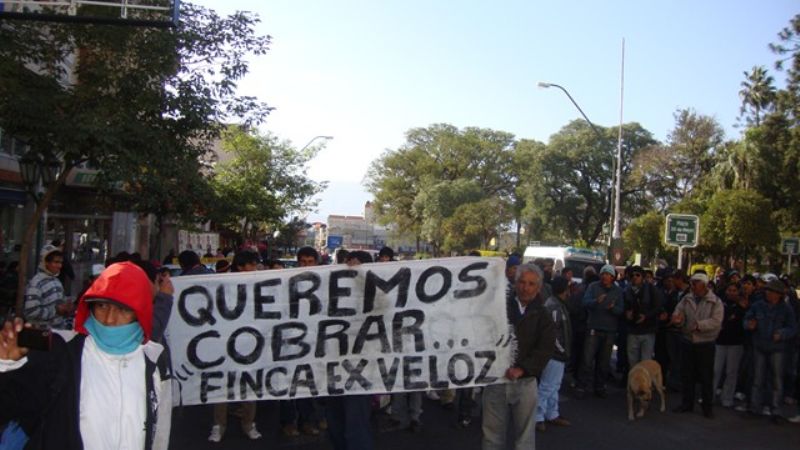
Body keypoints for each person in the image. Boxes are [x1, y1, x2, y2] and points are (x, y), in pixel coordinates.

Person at [0, 261, 171, 449]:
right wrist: (7, 363)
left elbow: (160, 433)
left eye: (123, 309)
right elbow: (12, 405)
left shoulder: (154, 362)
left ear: (141, 312)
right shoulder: (62, 356)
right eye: (102, 306)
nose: (109, 319)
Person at [482, 263, 555, 450]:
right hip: (496, 380)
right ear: (515, 283)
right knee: (492, 437)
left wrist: (523, 369)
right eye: (522, 282)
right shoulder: (498, 308)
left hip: (526, 382)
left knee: (525, 439)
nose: (525, 287)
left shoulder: (543, 315)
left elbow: (545, 349)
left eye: (531, 284)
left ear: (538, 288)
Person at [208, 250, 262, 442]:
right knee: (223, 385)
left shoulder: (260, 284)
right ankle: (218, 426)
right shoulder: (222, 284)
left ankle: (248, 424)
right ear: (240, 266)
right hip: (225, 344)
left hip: (251, 344)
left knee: (250, 386)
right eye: (252, 265)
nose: (255, 269)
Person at [325, 249, 375, 450]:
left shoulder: (377, 293)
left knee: (356, 425)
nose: (351, 270)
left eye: (357, 266)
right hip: (330, 369)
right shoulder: (330, 289)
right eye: (349, 265)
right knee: (335, 421)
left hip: (359, 371)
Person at [671, 272, 723, 418]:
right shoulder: (686, 299)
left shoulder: (715, 301)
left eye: (696, 282)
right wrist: (678, 319)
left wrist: (699, 325)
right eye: (692, 282)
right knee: (687, 375)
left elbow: (716, 321)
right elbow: (678, 312)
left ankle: (707, 407)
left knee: (706, 376)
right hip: (688, 340)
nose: (693, 285)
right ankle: (687, 403)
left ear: (704, 284)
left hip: (705, 342)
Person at [744, 279, 797, 418]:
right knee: (758, 378)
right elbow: (747, 319)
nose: (768, 293)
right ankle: (755, 408)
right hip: (760, 345)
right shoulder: (758, 306)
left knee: (777, 380)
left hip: (777, 348)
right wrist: (749, 324)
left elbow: (793, 328)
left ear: (778, 294)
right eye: (768, 290)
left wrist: (782, 334)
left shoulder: (786, 309)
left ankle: (775, 410)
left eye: (772, 291)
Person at [576, 264, 623, 399]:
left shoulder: (617, 291)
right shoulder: (593, 287)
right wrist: (596, 301)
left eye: (608, 275)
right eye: (603, 274)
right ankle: (581, 385)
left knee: (604, 362)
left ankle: (600, 386)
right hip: (594, 328)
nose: (605, 277)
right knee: (587, 359)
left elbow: (621, 310)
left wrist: (613, 308)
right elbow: (585, 302)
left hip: (609, 330)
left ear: (613, 277)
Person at [536, 275, 572, 432]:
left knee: (554, 385)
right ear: (564, 289)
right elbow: (552, 333)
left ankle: (552, 413)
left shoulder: (557, 304)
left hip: (556, 353)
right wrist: (562, 350)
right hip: (554, 353)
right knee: (547, 385)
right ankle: (538, 417)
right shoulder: (554, 307)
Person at [713, 282, 747, 408]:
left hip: (736, 342)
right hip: (720, 341)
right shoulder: (720, 303)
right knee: (716, 370)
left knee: (731, 372)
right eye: (729, 289)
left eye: (734, 290)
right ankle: (709, 396)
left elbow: (742, 321)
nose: (731, 292)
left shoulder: (743, 306)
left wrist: (741, 310)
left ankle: (727, 398)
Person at [23, 245, 73, 330]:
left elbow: (61, 303)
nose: (59, 266)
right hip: (43, 335)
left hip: (58, 332)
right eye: (56, 262)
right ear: (45, 262)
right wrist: (55, 311)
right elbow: (31, 312)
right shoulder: (36, 283)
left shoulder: (57, 282)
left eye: (61, 262)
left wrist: (66, 307)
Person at [623, 265, 663, 368]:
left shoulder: (651, 290)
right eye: (632, 275)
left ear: (643, 277)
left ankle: (645, 382)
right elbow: (623, 307)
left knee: (646, 362)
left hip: (648, 330)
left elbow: (658, 307)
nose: (635, 277)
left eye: (638, 275)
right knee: (632, 361)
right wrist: (626, 313)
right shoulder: (626, 291)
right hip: (632, 330)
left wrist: (646, 316)